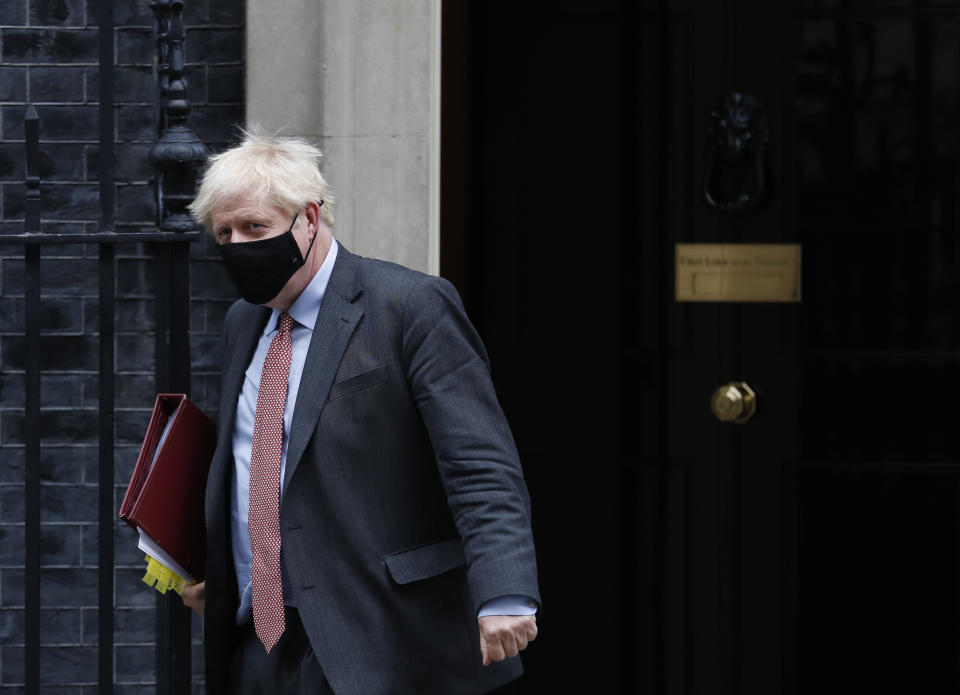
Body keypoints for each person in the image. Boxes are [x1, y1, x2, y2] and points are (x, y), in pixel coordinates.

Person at [180, 131, 540, 694]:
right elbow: (253, 460)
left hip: (383, 638)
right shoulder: (242, 323)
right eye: (224, 233)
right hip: (259, 644)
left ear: (309, 218)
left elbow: (479, 464)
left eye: (255, 227)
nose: (237, 244)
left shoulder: (410, 305)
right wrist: (222, 572)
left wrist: (504, 592)